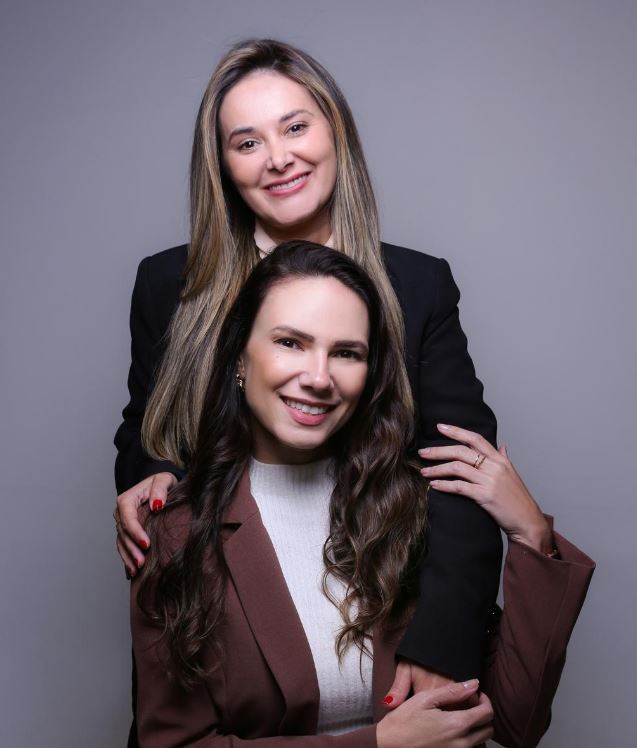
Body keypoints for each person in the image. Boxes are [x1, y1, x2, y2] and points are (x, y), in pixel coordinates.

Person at [115, 37, 501, 721]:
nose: (278, 158)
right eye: (247, 142)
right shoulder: (168, 284)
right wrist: (148, 476)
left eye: (295, 127)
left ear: (336, 133)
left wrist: (442, 639)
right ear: (222, 166)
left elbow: (461, 470)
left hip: (377, 618)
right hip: (227, 639)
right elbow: (146, 427)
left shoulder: (416, 286)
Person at [131, 242, 594, 747]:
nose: (318, 378)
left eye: (346, 353)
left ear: (370, 371)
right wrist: (380, 744)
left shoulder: (411, 506)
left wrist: (531, 535)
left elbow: (518, 720)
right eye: (290, 343)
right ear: (240, 357)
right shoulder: (177, 530)